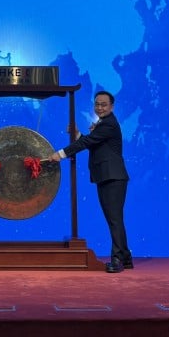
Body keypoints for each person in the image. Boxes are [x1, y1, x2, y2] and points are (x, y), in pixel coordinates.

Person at [47, 90, 131, 273]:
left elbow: (86, 144)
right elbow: (92, 142)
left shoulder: (109, 124)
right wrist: (77, 133)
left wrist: (60, 154)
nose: (100, 107)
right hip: (106, 176)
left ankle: (117, 260)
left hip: (113, 177)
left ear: (112, 107)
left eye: (104, 105)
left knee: (114, 220)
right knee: (113, 219)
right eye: (97, 104)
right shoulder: (103, 124)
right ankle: (125, 258)